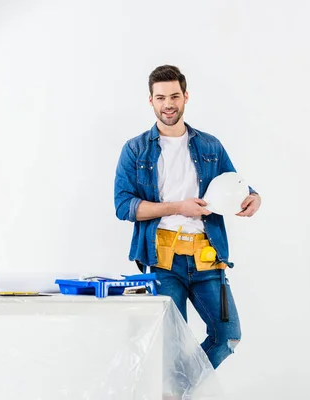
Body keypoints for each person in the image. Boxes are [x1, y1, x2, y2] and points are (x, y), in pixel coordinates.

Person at [114, 65, 261, 369]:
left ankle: (179, 392)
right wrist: (179, 207)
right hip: (162, 260)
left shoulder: (209, 146)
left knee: (228, 336)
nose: (168, 103)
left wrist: (253, 197)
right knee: (170, 346)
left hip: (207, 257)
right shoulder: (135, 150)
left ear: (185, 97)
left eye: (174, 96)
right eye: (161, 97)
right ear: (151, 101)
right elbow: (124, 207)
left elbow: (235, 185)